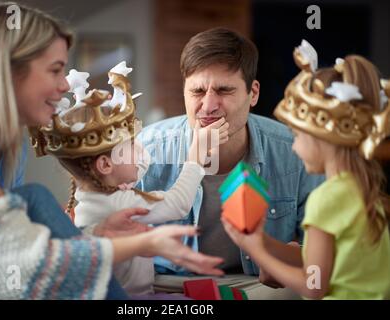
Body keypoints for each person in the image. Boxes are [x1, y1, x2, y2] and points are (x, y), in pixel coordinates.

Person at [0, 2, 224, 300]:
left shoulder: (10, 145)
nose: (64, 85)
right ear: (9, 70)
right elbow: (26, 265)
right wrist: (145, 244)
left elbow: (17, 246)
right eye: (55, 70)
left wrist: (97, 235)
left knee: (35, 196)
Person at [137, 27, 324, 285]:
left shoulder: (295, 150)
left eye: (224, 90)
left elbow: (320, 254)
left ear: (253, 93)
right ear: (184, 92)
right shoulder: (146, 149)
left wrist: (293, 255)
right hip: (166, 280)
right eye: (198, 92)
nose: (209, 106)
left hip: (257, 282)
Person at [32, 65, 229, 295]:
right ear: (105, 165)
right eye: (132, 146)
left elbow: (138, 163)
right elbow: (179, 203)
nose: (141, 150)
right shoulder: (120, 202)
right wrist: (196, 155)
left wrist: (130, 142)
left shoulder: (99, 190)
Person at [222, 40, 390, 299]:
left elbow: (313, 285)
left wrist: (253, 249)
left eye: (298, 136)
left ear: (322, 137)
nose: (294, 147)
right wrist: (263, 243)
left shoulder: (326, 198)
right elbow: (326, 259)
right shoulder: (362, 189)